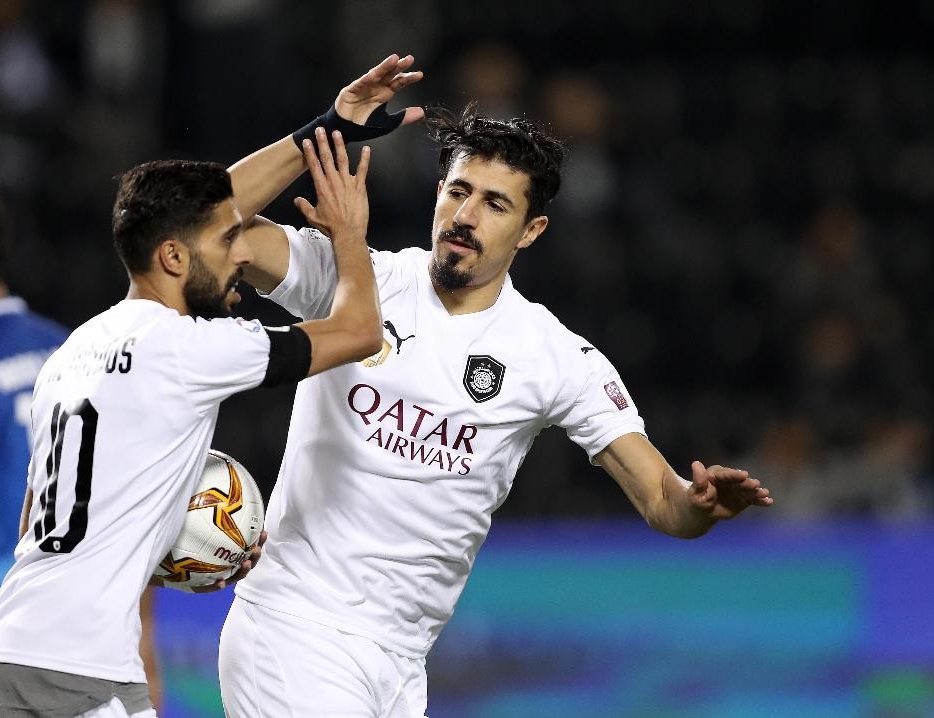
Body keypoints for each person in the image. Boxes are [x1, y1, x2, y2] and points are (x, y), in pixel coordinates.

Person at [216, 58, 775, 717]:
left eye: (494, 203)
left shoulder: (555, 357)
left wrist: (700, 506)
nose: (466, 215)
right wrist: (325, 127)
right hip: (294, 628)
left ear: (531, 231)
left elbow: (661, 499)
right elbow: (203, 221)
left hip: (401, 662)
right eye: (458, 191)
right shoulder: (354, 277)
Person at [0, 119, 382, 717]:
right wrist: (349, 232)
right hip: (78, 666)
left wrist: (166, 555)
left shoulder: (71, 353)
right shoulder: (186, 347)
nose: (242, 254)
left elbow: (40, 521)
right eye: (226, 242)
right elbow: (361, 331)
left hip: (12, 648)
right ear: (172, 256)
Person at [0, 187, 165, 718]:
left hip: (7, 600)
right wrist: (145, 634)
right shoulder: (74, 347)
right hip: (96, 592)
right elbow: (127, 483)